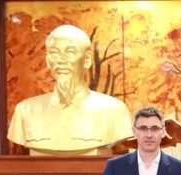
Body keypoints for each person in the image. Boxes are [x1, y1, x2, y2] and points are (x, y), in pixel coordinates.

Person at [8, 24, 133, 155]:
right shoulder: (25, 111)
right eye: (55, 53)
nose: (61, 60)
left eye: (70, 52)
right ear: (48, 60)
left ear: (87, 59)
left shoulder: (114, 111)